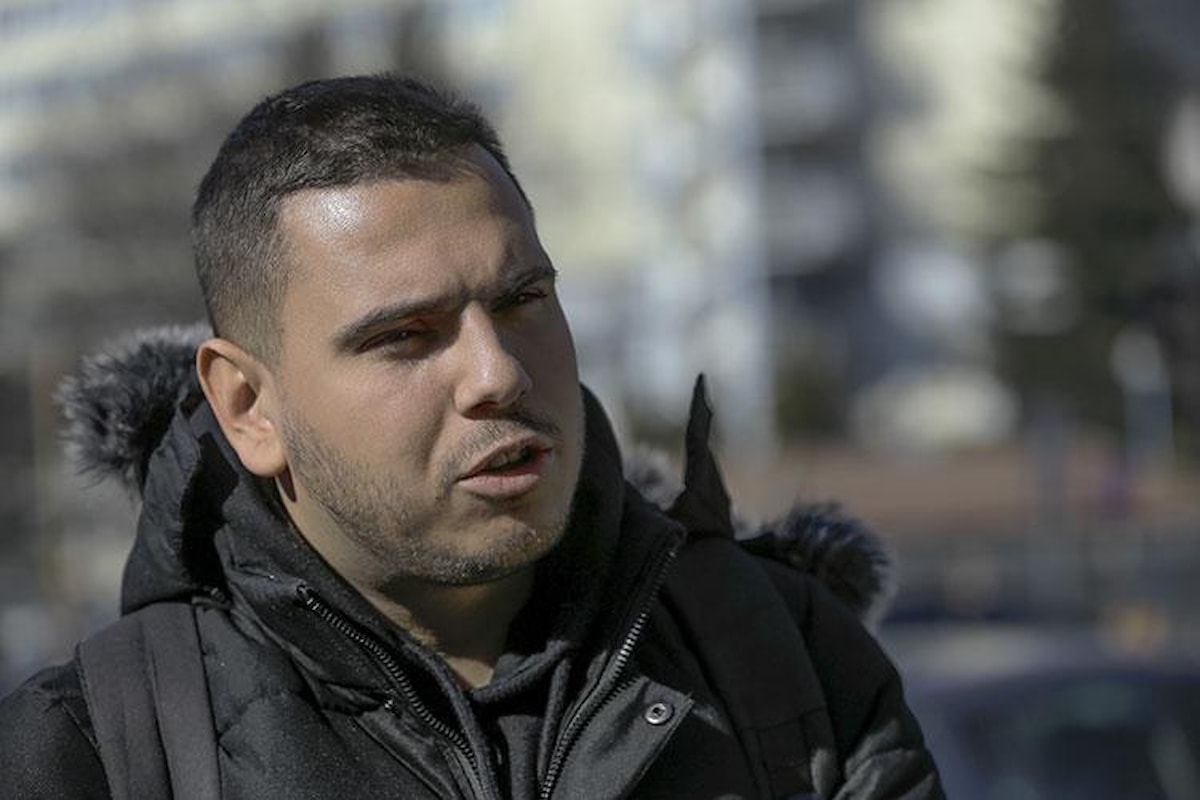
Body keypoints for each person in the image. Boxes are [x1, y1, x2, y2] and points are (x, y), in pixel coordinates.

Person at [0, 74, 944, 799]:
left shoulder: (779, 655)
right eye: (404, 336)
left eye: (523, 298)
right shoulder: (95, 754)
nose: (498, 373)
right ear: (248, 406)